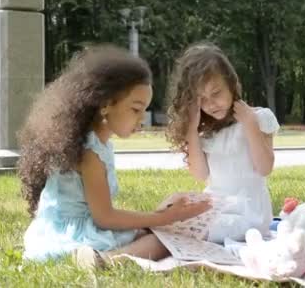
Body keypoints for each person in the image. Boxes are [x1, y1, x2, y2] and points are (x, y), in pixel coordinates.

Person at [19, 45, 210, 267]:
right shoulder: (90, 152)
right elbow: (105, 217)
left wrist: (159, 215)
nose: (141, 119)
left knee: (154, 231)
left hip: (72, 227)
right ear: (106, 104)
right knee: (159, 241)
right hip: (72, 237)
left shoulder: (99, 144)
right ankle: (106, 261)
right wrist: (166, 217)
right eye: (135, 109)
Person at [166, 42, 280, 243]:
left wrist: (250, 126)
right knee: (169, 217)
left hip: (248, 212)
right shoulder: (207, 133)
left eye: (216, 93)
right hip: (216, 207)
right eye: (201, 99)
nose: (210, 104)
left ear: (232, 85)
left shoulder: (259, 118)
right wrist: (191, 131)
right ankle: (125, 247)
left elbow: (265, 167)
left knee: (183, 230)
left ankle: (126, 251)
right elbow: (201, 175)